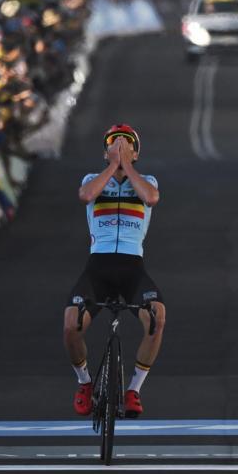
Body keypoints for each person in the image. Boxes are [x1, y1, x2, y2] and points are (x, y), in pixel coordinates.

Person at [63, 124, 166, 419]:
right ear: (106, 151)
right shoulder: (93, 180)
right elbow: (86, 195)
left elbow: (151, 198)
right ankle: (84, 383)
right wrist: (112, 166)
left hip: (132, 267)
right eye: (113, 144)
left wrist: (127, 166)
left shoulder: (146, 180)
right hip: (99, 266)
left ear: (136, 152)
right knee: (71, 324)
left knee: (157, 318)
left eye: (126, 144)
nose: (120, 147)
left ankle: (133, 389)